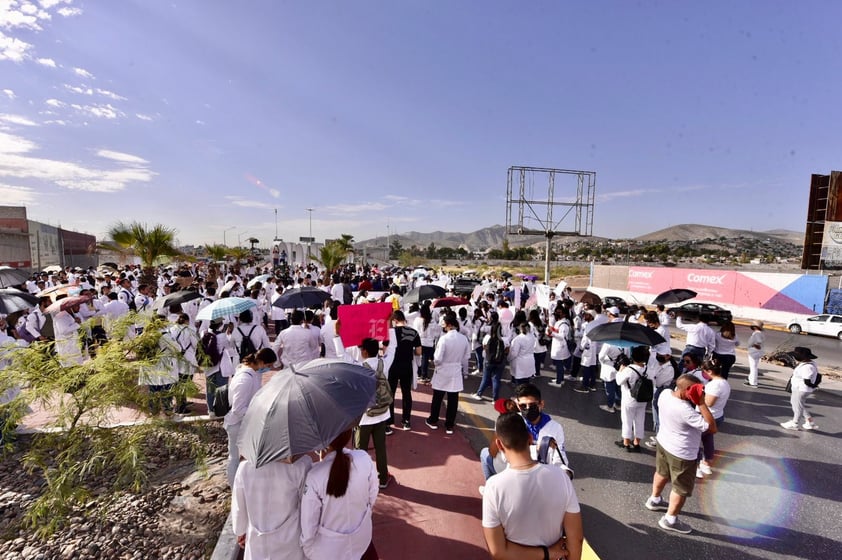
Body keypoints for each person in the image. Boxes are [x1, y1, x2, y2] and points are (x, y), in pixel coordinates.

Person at [481, 412, 583, 560]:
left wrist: (546, 553)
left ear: (499, 444)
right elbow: (576, 539)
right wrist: (551, 553)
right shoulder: (561, 477)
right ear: (530, 438)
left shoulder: (493, 487)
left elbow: (497, 552)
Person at [645, 374, 715, 534]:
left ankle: (654, 499)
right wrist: (701, 402)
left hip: (664, 443)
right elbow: (712, 428)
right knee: (680, 488)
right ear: (688, 391)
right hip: (683, 453)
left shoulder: (665, 394)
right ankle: (670, 519)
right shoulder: (685, 410)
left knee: (661, 472)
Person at [300, 428, 379, 560]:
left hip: (328, 552)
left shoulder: (314, 476)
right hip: (362, 543)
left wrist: (309, 549)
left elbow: (309, 526)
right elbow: (372, 497)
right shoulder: (364, 459)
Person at [480, 383, 571, 480]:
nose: (528, 409)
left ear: (541, 404)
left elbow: (559, 456)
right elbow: (505, 456)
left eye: (532, 405)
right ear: (518, 406)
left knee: (484, 454)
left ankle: (489, 486)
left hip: (540, 477)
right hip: (513, 473)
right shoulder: (510, 422)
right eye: (523, 406)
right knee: (485, 453)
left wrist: (565, 472)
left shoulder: (555, 428)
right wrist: (538, 448)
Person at [231, 452, 312, 560]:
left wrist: (240, 531)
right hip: (290, 544)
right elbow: (307, 506)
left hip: (257, 544)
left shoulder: (244, 467)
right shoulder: (301, 464)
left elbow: (239, 509)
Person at [224, 347, 277, 486]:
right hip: (237, 424)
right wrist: (259, 412)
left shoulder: (252, 373)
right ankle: (234, 488)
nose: (269, 369)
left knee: (244, 457)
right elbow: (238, 409)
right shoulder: (244, 379)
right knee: (234, 458)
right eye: (268, 365)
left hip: (245, 422)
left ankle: (244, 486)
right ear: (260, 361)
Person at [425, 314, 470, 435]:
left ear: (449, 325)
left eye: (444, 323)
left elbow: (438, 358)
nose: (443, 326)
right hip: (455, 369)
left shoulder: (444, 339)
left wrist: (436, 364)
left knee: (438, 397)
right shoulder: (463, 338)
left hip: (443, 369)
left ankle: (433, 420)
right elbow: (467, 356)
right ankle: (449, 424)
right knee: (453, 399)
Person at [388, 311, 421, 431]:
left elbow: (384, 349)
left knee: (389, 393)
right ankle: (406, 420)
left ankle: (389, 421)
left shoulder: (390, 333)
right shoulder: (413, 332)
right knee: (406, 393)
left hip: (392, 366)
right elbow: (418, 352)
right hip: (407, 366)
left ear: (395, 320)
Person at [697, 358, 731, 478]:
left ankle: (695, 466)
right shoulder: (724, 382)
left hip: (707, 416)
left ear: (709, 371)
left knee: (695, 441)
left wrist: (698, 396)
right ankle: (706, 463)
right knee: (708, 440)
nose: (703, 373)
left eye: (704, 371)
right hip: (718, 415)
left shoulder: (714, 385)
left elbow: (709, 403)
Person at [615, 345, 650, 451]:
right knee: (640, 420)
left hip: (629, 399)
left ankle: (626, 442)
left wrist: (620, 371)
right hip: (642, 399)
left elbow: (619, 381)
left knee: (627, 420)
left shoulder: (629, 369)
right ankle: (637, 442)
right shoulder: (647, 369)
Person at [781, 346, 820, 431]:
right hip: (799, 387)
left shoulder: (808, 367)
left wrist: (814, 386)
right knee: (798, 404)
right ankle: (809, 421)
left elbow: (807, 381)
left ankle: (795, 423)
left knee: (797, 406)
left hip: (801, 389)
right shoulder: (807, 363)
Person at [473, 312, 508, 401]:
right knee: (496, 379)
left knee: (485, 378)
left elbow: (484, 347)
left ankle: (479, 394)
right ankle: (495, 399)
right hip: (500, 361)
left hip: (488, 360)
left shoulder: (487, 337)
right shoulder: (505, 340)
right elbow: (507, 350)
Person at [745, 320, 764, 387]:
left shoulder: (757, 333)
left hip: (754, 352)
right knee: (754, 367)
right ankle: (750, 380)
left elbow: (759, 341)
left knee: (753, 367)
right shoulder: (759, 333)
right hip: (756, 352)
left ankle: (753, 382)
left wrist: (755, 345)